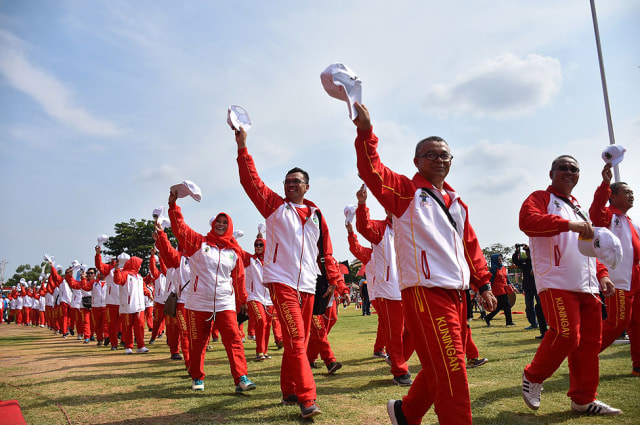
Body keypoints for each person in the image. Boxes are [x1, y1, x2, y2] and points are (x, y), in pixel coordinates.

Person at [352, 102, 497, 425]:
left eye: (445, 155)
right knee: (452, 368)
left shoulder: (457, 203)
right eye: (430, 154)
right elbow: (371, 170)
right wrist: (365, 131)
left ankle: (407, 412)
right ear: (417, 161)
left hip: (458, 294)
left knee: (443, 363)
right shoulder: (405, 193)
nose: (439, 160)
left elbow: (470, 247)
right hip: (425, 291)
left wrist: (483, 284)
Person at [234, 126, 342, 419]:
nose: (291, 185)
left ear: (307, 186)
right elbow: (250, 181)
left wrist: (333, 281)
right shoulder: (274, 207)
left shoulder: (317, 215)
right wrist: (243, 146)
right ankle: (307, 399)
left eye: (297, 181)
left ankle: (288, 390)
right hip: (281, 283)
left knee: (301, 342)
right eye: (287, 181)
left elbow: (326, 252)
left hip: (308, 285)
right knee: (295, 340)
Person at [519, 154, 621, 415]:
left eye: (574, 169)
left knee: (589, 344)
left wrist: (602, 274)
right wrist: (568, 225)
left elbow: (590, 247)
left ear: (578, 176)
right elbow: (528, 222)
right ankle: (533, 376)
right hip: (556, 281)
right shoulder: (540, 198)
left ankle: (584, 399)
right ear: (551, 173)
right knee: (566, 334)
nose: (568, 172)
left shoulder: (578, 207)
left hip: (587, 286)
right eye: (562, 168)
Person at [167, 190, 256, 393]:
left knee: (234, 339)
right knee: (198, 342)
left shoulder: (234, 251)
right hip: (199, 302)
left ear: (229, 226)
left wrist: (242, 300)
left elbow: (239, 278)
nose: (221, 225)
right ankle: (197, 377)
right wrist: (174, 206)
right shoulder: (198, 243)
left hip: (224, 302)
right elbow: (180, 228)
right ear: (213, 224)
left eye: (225, 223)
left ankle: (241, 378)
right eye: (218, 221)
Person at [354, 184, 413, 386]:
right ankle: (399, 369)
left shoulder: (411, 228)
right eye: (389, 205)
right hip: (389, 290)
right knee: (394, 333)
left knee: (414, 330)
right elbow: (364, 227)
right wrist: (362, 205)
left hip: (412, 288)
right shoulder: (381, 228)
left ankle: (397, 358)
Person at [589, 162, 640, 375]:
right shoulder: (608, 216)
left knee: (637, 322)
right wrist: (605, 183)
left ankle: (638, 365)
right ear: (613, 196)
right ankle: (585, 354)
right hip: (618, 279)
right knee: (618, 322)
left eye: (632, 192)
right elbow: (595, 211)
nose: (631, 195)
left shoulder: (630, 221)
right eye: (626, 192)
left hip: (636, 277)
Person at [113, 256, 150, 354]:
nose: (140, 266)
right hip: (127, 306)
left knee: (140, 327)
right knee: (127, 328)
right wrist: (116, 271)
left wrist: (149, 294)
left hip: (139, 306)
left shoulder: (139, 277)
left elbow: (143, 288)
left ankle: (141, 346)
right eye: (139, 264)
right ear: (134, 264)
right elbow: (118, 281)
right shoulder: (125, 274)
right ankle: (128, 346)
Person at [512, 244, 547, 339]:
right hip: (528, 288)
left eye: (529, 252)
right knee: (529, 307)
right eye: (526, 252)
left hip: (538, 287)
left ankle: (545, 323)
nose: (528, 254)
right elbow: (516, 261)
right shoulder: (525, 263)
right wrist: (517, 251)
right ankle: (533, 323)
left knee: (541, 306)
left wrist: (530, 248)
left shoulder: (538, 262)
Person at [484, 254, 515, 327]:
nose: (501, 261)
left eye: (501, 259)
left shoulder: (504, 267)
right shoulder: (493, 269)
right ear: (495, 260)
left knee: (499, 306)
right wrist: (488, 289)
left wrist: (512, 286)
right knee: (507, 305)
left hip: (504, 288)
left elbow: (507, 278)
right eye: (499, 259)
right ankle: (509, 322)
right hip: (498, 289)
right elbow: (491, 280)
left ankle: (488, 317)